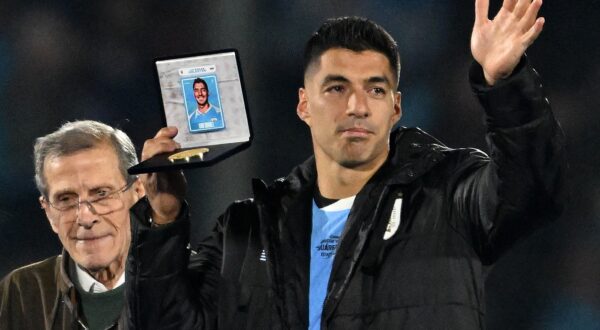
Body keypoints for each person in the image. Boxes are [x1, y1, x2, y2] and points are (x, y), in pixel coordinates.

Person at [127, 0, 566, 328]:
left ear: (396, 108)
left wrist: (504, 85)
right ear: (303, 104)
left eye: (375, 90)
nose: (357, 106)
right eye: (336, 88)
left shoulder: (448, 193)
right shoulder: (248, 227)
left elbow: (533, 190)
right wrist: (163, 220)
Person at [0, 120, 183, 329]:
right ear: (48, 211)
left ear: (138, 193)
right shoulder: (22, 294)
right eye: (66, 199)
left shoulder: (191, 280)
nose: (85, 218)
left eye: (102, 194)